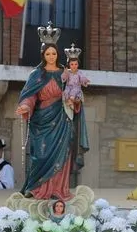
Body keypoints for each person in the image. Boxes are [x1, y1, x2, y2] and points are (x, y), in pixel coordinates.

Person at [15, 35, 89, 201]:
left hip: (62, 118)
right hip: (42, 120)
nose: (51, 57)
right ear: (43, 55)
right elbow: (30, 95)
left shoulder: (64, 73)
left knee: (61, 155)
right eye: (47, 54)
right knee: (40, 155)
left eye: (53, 53)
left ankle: (58, 189)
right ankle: (36, 187)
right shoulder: (36, 74)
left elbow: (74, 89)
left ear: (58, 55)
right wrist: (26, 106)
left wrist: (76, 100)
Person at [61, 44, 90, 121]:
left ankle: (71, 102)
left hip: (76, 87)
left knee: (73, 93)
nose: (74, 66)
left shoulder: (79, 73)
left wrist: (85, 81)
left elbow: (82, 78)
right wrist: (65, 73)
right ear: (69, 65)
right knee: (65, 92)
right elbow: (63, 79)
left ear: (78, 64)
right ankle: (68, 103)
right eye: (72, 64)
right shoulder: (68, 72)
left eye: (75, 64)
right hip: (68, 87)